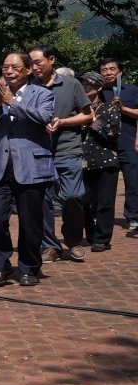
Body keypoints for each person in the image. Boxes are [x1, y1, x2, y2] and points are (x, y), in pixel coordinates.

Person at [0, 52, 56, 288]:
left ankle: (29, 267)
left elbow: (44, 116)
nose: (8, 71)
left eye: (15, 67)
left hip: (31, 167)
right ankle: (0, 267)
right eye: (5, 67)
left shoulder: (43, 93)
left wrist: (13, 103)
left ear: (28, 70)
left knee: (30, 221)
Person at [30, 45, 92, 262]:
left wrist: (63, 121)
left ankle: (73, 239)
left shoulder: (71, 84)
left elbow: (88, 116)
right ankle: (50, 246)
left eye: (38, 62)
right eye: (31, 63)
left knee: (73, 196)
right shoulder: (29, 87)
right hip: (38, 152)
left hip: (68, 149)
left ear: (52, 59)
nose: (35, 67)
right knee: (44, 201)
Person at [79, 72, 121, 252]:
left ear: (99, 88)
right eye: (82, 84)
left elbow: (112, 134)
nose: (85, 87)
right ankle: (90, 233)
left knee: (105, 202)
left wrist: (94, 121)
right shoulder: (79, 109)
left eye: (88, 84)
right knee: (83, 201)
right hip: (84, 162)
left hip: (106, 161)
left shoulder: (110, 108)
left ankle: (102, 239)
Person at [96, 58, 138, 233]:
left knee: (133, 182)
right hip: (104, 145)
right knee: (103, 184)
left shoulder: (132, 90)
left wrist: (122, 108)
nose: (108, 72)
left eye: (112, 69)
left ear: (120, 71)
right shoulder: (98, 91)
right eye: (104, 70)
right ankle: (101, 215)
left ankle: (133, 217)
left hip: (128, 143)